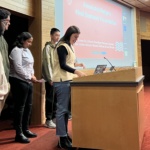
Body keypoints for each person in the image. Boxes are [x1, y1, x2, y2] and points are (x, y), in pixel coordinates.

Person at [52, 26, 86, 149]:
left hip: (68, 80)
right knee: (61, 111)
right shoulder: (62, 46)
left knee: (66, 111)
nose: (76, 39)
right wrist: (77, 71)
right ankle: (62, 139)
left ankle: (65, 135)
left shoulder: (70, 46)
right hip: (61, 81)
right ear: (69, 34)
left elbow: (68, 62)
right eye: (75, 37)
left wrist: (78, 64)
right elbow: (62, 65)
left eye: (77, 37)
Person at [9, 32, 38, 144]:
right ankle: (18, 133)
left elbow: (30, 65)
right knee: (20, 108)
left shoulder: (28, 50)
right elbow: (18, 68)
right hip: (19, 81)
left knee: (28, 106)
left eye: (31, 42)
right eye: (29, 41)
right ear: (22, 40)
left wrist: (33, 75)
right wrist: (29, 77)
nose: (30, 44)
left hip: (28, 81)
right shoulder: (16, 50)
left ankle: (26, 129)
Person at [42, 28, 60, 128]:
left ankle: (53, 118)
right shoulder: (47, 48)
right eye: (56, 35)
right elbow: (47, 63)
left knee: (56, 99)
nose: (58, 37)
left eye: (59, 35)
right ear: (51, 35)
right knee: (50, 99)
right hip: (50, 78)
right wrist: (50, 78)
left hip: (57, 78)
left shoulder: (57, 47)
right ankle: (48, 120)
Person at [0, 8, 11, 114]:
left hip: (4, 85)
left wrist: (6, 84)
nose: (7, 27)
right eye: (6, 22)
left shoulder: (3, 40)